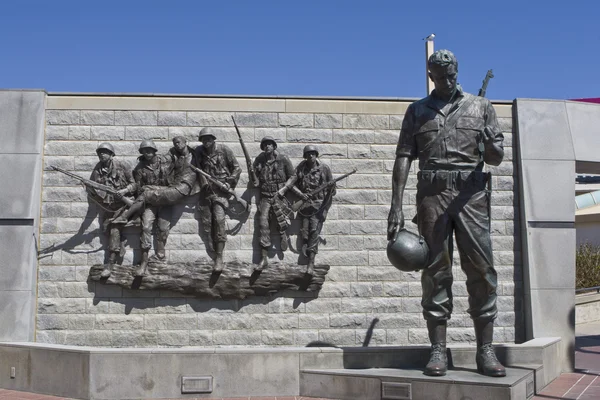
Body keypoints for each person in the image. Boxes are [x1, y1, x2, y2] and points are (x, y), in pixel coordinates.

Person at [387, 49, 505, 377]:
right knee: (435, 271)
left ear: (457, 71)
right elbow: (404, 157)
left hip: (471, 196)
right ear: (431, 76)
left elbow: (496, 158)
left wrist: (490, 145)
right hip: (431, 196)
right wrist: (395, 205)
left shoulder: (481, 107)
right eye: (440, 77)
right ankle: (438, 348)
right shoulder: (417, 111)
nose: (447, 81)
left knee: (482, 270)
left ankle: (485, 350)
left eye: (451, 75)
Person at [114, 138, 198, 276]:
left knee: (163, 228)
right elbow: (139, 188)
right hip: (151, 204)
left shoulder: (166, 161)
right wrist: (125, 191)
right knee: (146, 227)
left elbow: (179, 167)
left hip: (165, 201)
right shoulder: (140, 168)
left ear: (154, 151)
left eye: (149, 151)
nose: (147, 153)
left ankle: (160, 256)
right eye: (144, 151)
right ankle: (144, 262)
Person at [193, 127, 241, 272]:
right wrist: (204, 183)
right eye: (203, 139)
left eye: (208, 139)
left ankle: (219, 258)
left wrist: (229, 183)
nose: (206, 142)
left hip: (221, 191)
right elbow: (196, 169)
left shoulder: (224, 150)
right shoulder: (198, 152)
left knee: (219, 220)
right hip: (207, 192)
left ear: (213, 139)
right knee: (207, 223)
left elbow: (237, 168)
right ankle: (212, 250)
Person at [88, 142, 134, 278]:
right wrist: (90, 188)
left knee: (114, 228)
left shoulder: (122, 165)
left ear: (111, 154)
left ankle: (110, 263)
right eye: (100, 152)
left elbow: (135, 184)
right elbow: (93, 188)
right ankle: (120, 246)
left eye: (105, 152)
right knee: (108, 229)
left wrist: (123, 191)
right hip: (109, 206)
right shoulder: (97, 169)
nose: (102, 154)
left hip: (125, 205)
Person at [252, 136, 296, 270]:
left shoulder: (283, 159)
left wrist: (284, 189)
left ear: (274, 146)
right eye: (264, 145)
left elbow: (293, 176)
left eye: (269, 144)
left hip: (279, 195)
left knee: (280, 219)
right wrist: (253, 172)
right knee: (263, 223)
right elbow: (256, 182)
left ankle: (283, 234)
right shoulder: (259, 160)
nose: (267, 146)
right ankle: (264, 258)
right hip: (265, 196)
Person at [292, 145, 335, 275]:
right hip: (305, 206)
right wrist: (301, 195)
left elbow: (332, 192)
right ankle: (306, 253)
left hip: (318, 206)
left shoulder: (324, 169)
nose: (311, 156)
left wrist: (325, 209)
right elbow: (291, 184)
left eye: (313, 153)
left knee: (314, 233)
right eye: (308, 154)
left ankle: (311, 263)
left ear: (316, 155)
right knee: (304, 233)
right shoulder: (301, 168)